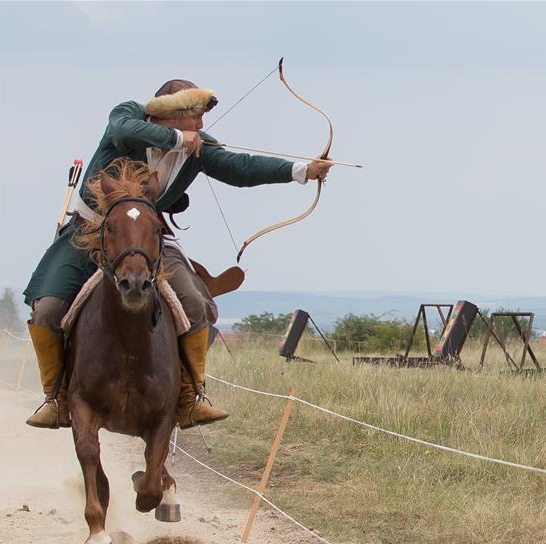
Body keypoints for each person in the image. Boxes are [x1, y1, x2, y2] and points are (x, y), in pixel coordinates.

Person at [23, 79, 331, 429]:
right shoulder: (128, 117)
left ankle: (190, 396)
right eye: (194, 118)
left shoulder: (196, 146)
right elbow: (121, 127)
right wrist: (175, 140)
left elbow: (240, 167)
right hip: (89, 231)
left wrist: (302, 171)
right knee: (48, 308)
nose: (201, 126)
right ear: (172, 114)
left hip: (148, 239)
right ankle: (57, 399)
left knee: (195, 304)